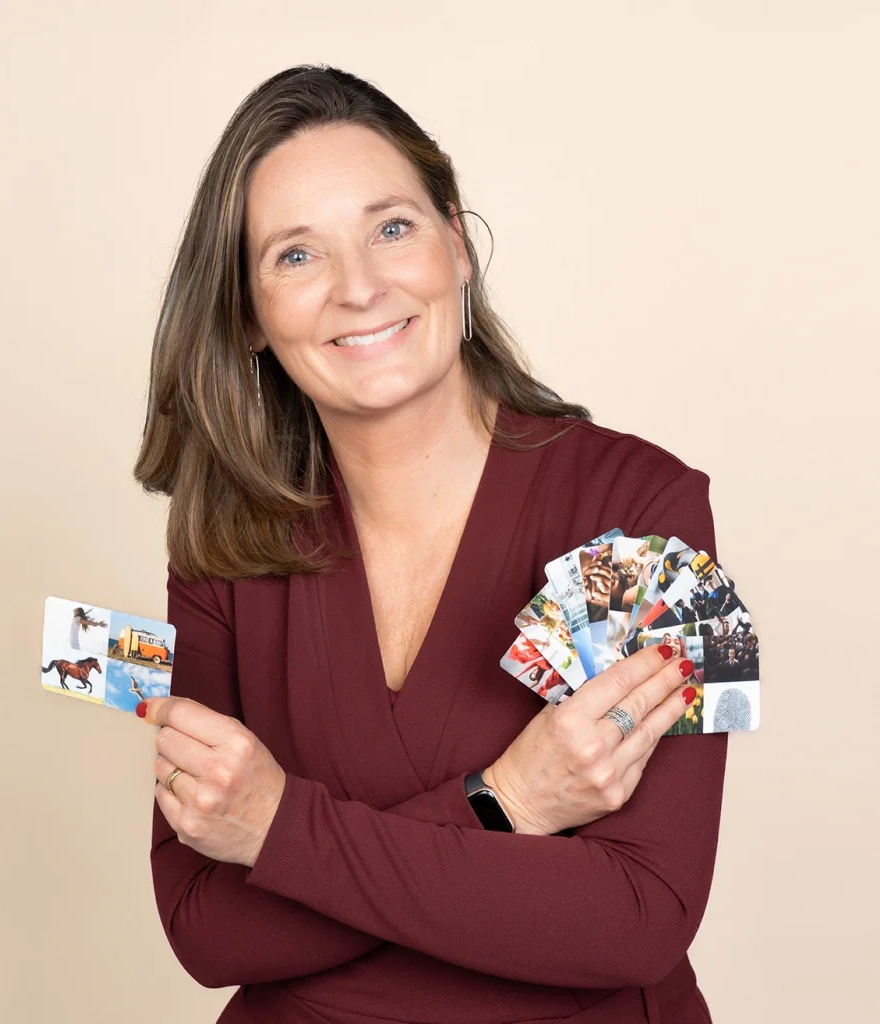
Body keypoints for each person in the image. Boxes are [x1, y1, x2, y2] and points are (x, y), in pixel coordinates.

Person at [132, 64, 727, 1024]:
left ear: (456, 243)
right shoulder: (223, 545)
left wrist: (280, 835)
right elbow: (207, 930)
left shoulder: (638, 511)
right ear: (247, 315)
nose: (359, 287)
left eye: (392, 228)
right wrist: (504, 804)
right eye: (296, 254)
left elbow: (636, 916)